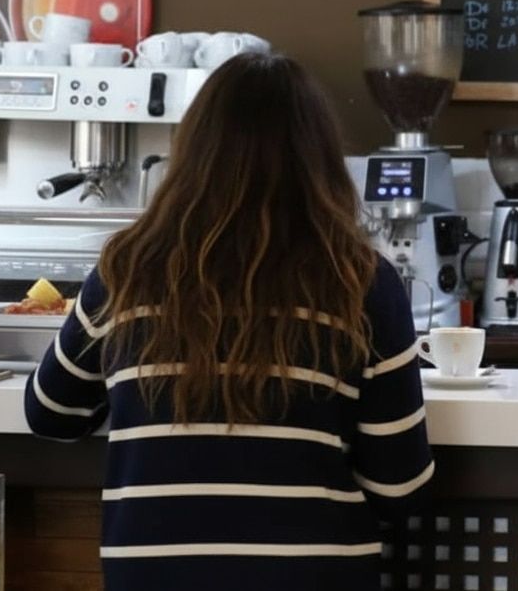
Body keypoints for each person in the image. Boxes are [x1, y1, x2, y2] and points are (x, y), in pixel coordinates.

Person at [25, 53, 432, 591]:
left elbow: (50, 413)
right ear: (320, 160)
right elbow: (400, 488)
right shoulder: (360, 280)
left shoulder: (127, 269)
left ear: (192, 152)